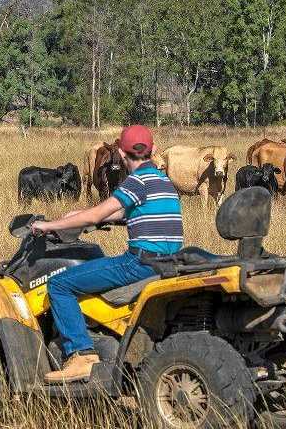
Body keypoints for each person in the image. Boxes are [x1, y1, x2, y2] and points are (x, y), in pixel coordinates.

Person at [30, 124, 183, 383]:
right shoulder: (163, 181)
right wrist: (78, 217)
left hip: (139, 262)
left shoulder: (136, 181)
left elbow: (100, 212)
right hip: (167, 262)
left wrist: (49, 225)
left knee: (59, 284)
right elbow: (122, 213)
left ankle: (81, 355)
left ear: (122, 155)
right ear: (153, 150)